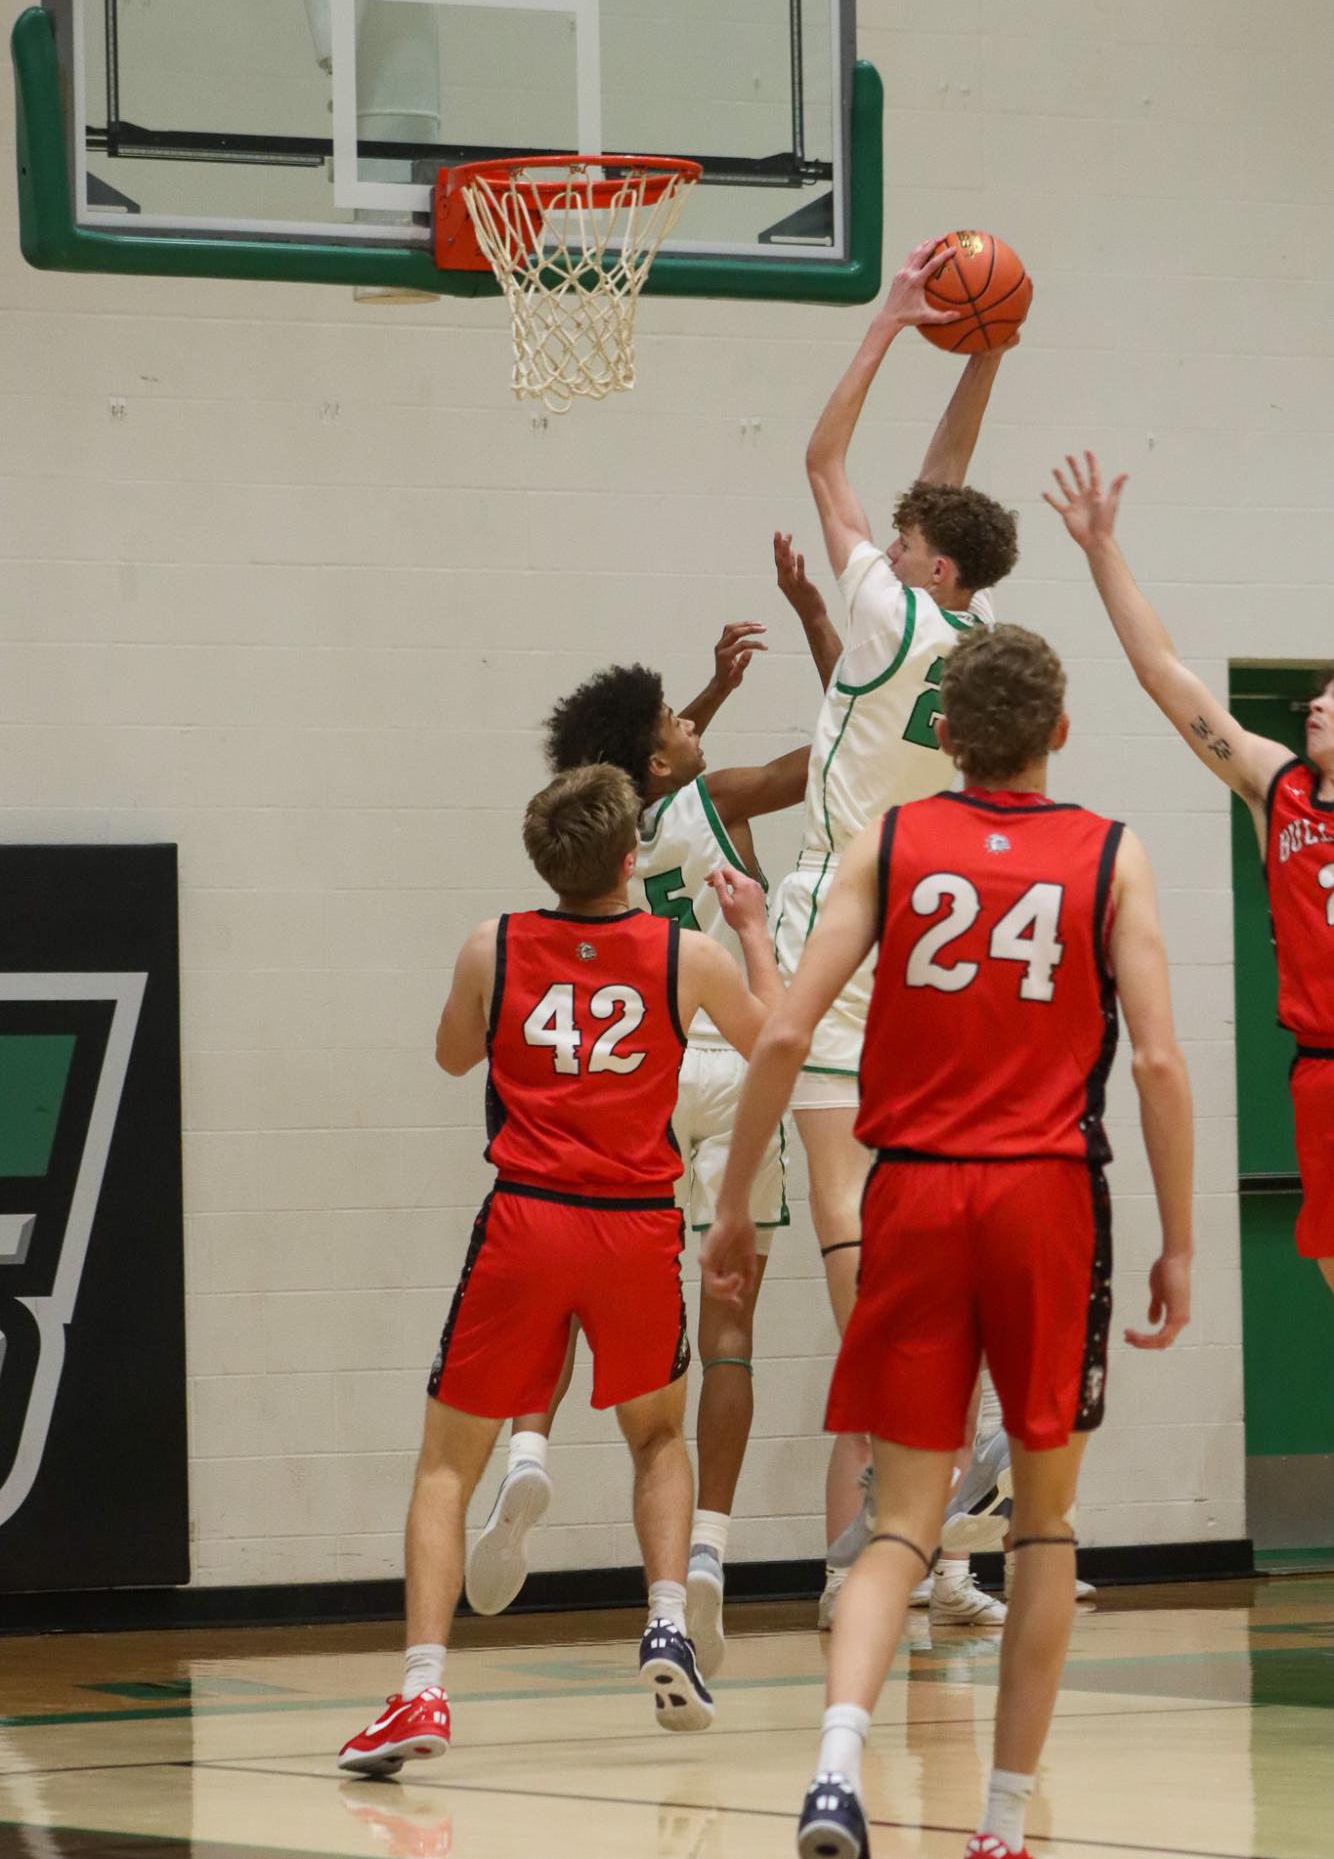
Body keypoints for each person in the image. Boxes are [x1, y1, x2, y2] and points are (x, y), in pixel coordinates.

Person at [702, 623, 1194, 1859]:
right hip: (1043, 1199)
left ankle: (831, 1767)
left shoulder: (891, 839)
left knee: (897, 1528)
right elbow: (1154, 1059)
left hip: (910, 1198)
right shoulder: (1110, 856)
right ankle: (1000, 1824)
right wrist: (1178, 1240)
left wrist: (723, 1209)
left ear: (947, 740)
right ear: (1058, 734)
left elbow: (777, 1037)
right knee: (1039, 1528)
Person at [338, 762, 780, 1775]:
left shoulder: (492, 945)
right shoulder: (687, 957)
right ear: (632, 859)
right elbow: (774, 1045)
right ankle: (667, 1624)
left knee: (449, 1464)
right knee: (659, 1435)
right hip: (633, 1226)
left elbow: (453, 1056)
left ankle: (420, 1692)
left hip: (527, 1221)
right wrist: (753, 933)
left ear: (543, 858)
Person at [463, 555, 841, 1682]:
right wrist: (824, 625)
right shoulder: (715, 800)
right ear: (658, 758)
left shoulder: (610, 835)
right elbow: (824, 755)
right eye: (679, 715)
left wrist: (703, 704)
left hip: (642, 1069)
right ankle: (710, 1555)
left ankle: (528, 1446)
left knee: (579, 1272)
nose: (691, 714)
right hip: (734, 1057)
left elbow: (646, 763)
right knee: (726, 1327)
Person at [782, 238, 1021, 1626]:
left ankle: (930, 1409)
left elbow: (824, 460)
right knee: (922, 1199)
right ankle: (956, 1427)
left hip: (838, 916)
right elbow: (945, 494)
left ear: (919, 560)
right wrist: (981, 351)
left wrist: (885, 325)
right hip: (940, 933)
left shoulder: (878, 609)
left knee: (837, 1205)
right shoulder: (993, 636)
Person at [1047, 450, 1334, 1293]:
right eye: (1313, 691)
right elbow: (1163, 676)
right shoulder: (1276, 787)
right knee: (1323, 1256)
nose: (1315, 703)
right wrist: (1102, 551)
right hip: (1317, 1066)